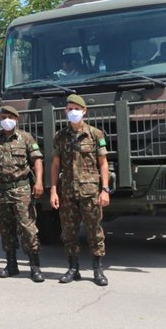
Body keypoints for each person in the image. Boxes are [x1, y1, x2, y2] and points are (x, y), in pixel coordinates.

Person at [0, 105, 45, 282]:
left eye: (10, 117)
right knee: (5, 228)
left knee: (27, 228)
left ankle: (34, 267)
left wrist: (39, 182)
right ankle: (11, 265)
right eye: (3, 116)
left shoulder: (26, 138)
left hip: (21, 189)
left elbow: (37, 160)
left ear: (16, 119)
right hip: (0, 190)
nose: (6, 120)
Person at [49, 94, 111, 286]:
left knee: (95, 231)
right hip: (67, 192)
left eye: (76, 108)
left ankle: (97, 269)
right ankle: (73, 268)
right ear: (65, 112)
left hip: (90, 192)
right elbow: (55, 165)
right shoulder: (60, 136)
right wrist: (53, 190)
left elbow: (103, 164)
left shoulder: (95, 134)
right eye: (69, 109)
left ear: (84, 111)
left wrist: (105, 189)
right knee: (69, 232)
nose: (73, 112)